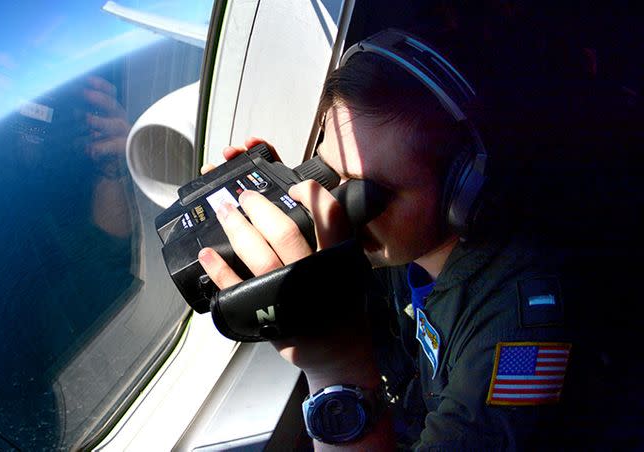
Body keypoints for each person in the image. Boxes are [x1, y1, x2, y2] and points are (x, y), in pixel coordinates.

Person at [197, 30, 576, 450]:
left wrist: (335, 371)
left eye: (366, 193)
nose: (335, 208)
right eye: (324, 171)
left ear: (463, 195)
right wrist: (282, 206)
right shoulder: (398, 250)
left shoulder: (525, 331)